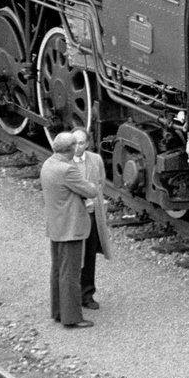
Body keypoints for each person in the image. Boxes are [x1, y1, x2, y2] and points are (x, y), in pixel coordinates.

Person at [41, 130, 100, 329]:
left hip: (56, 225)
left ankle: (58, 312)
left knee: (58, 271)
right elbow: (91, 190)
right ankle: (72, 317)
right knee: (71, 274)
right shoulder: (67, 170)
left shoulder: (48, 164)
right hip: (71, 227)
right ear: (71, 149)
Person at [73, 131, 112, 311]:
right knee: (73, 256)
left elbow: (100, 183)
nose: (77, 147)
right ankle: (71, 294)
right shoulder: (64, 162)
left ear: (87, 144)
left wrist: (94, 202)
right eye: (74, 143)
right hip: (74, 216)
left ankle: (87, 294)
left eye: (81, 143)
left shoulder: (96, 160)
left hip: (92, 215)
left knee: (89, 255)